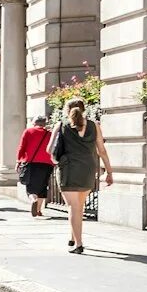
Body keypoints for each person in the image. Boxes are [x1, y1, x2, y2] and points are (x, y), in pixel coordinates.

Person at [53, 99, 112, 253]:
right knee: (79, 206)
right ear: (84, 109)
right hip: (88, 169)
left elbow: (49, 149)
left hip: (68, 169)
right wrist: (109, 172)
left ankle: (79, 244)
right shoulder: (94, 125)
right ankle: (72, 237)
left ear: (67, 110)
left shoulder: (61, 125)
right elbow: (102, 151)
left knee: (73, 207)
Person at [17, 114, 55, 217]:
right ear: (45, 123)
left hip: (31, 163)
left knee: (30, 187)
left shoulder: (28, 131)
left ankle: (33, 199)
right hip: (47, 163)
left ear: (34, 123)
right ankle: (38, 210)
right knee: (43, 186)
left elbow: (22, 147)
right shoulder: (50, 134)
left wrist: (18, 161)